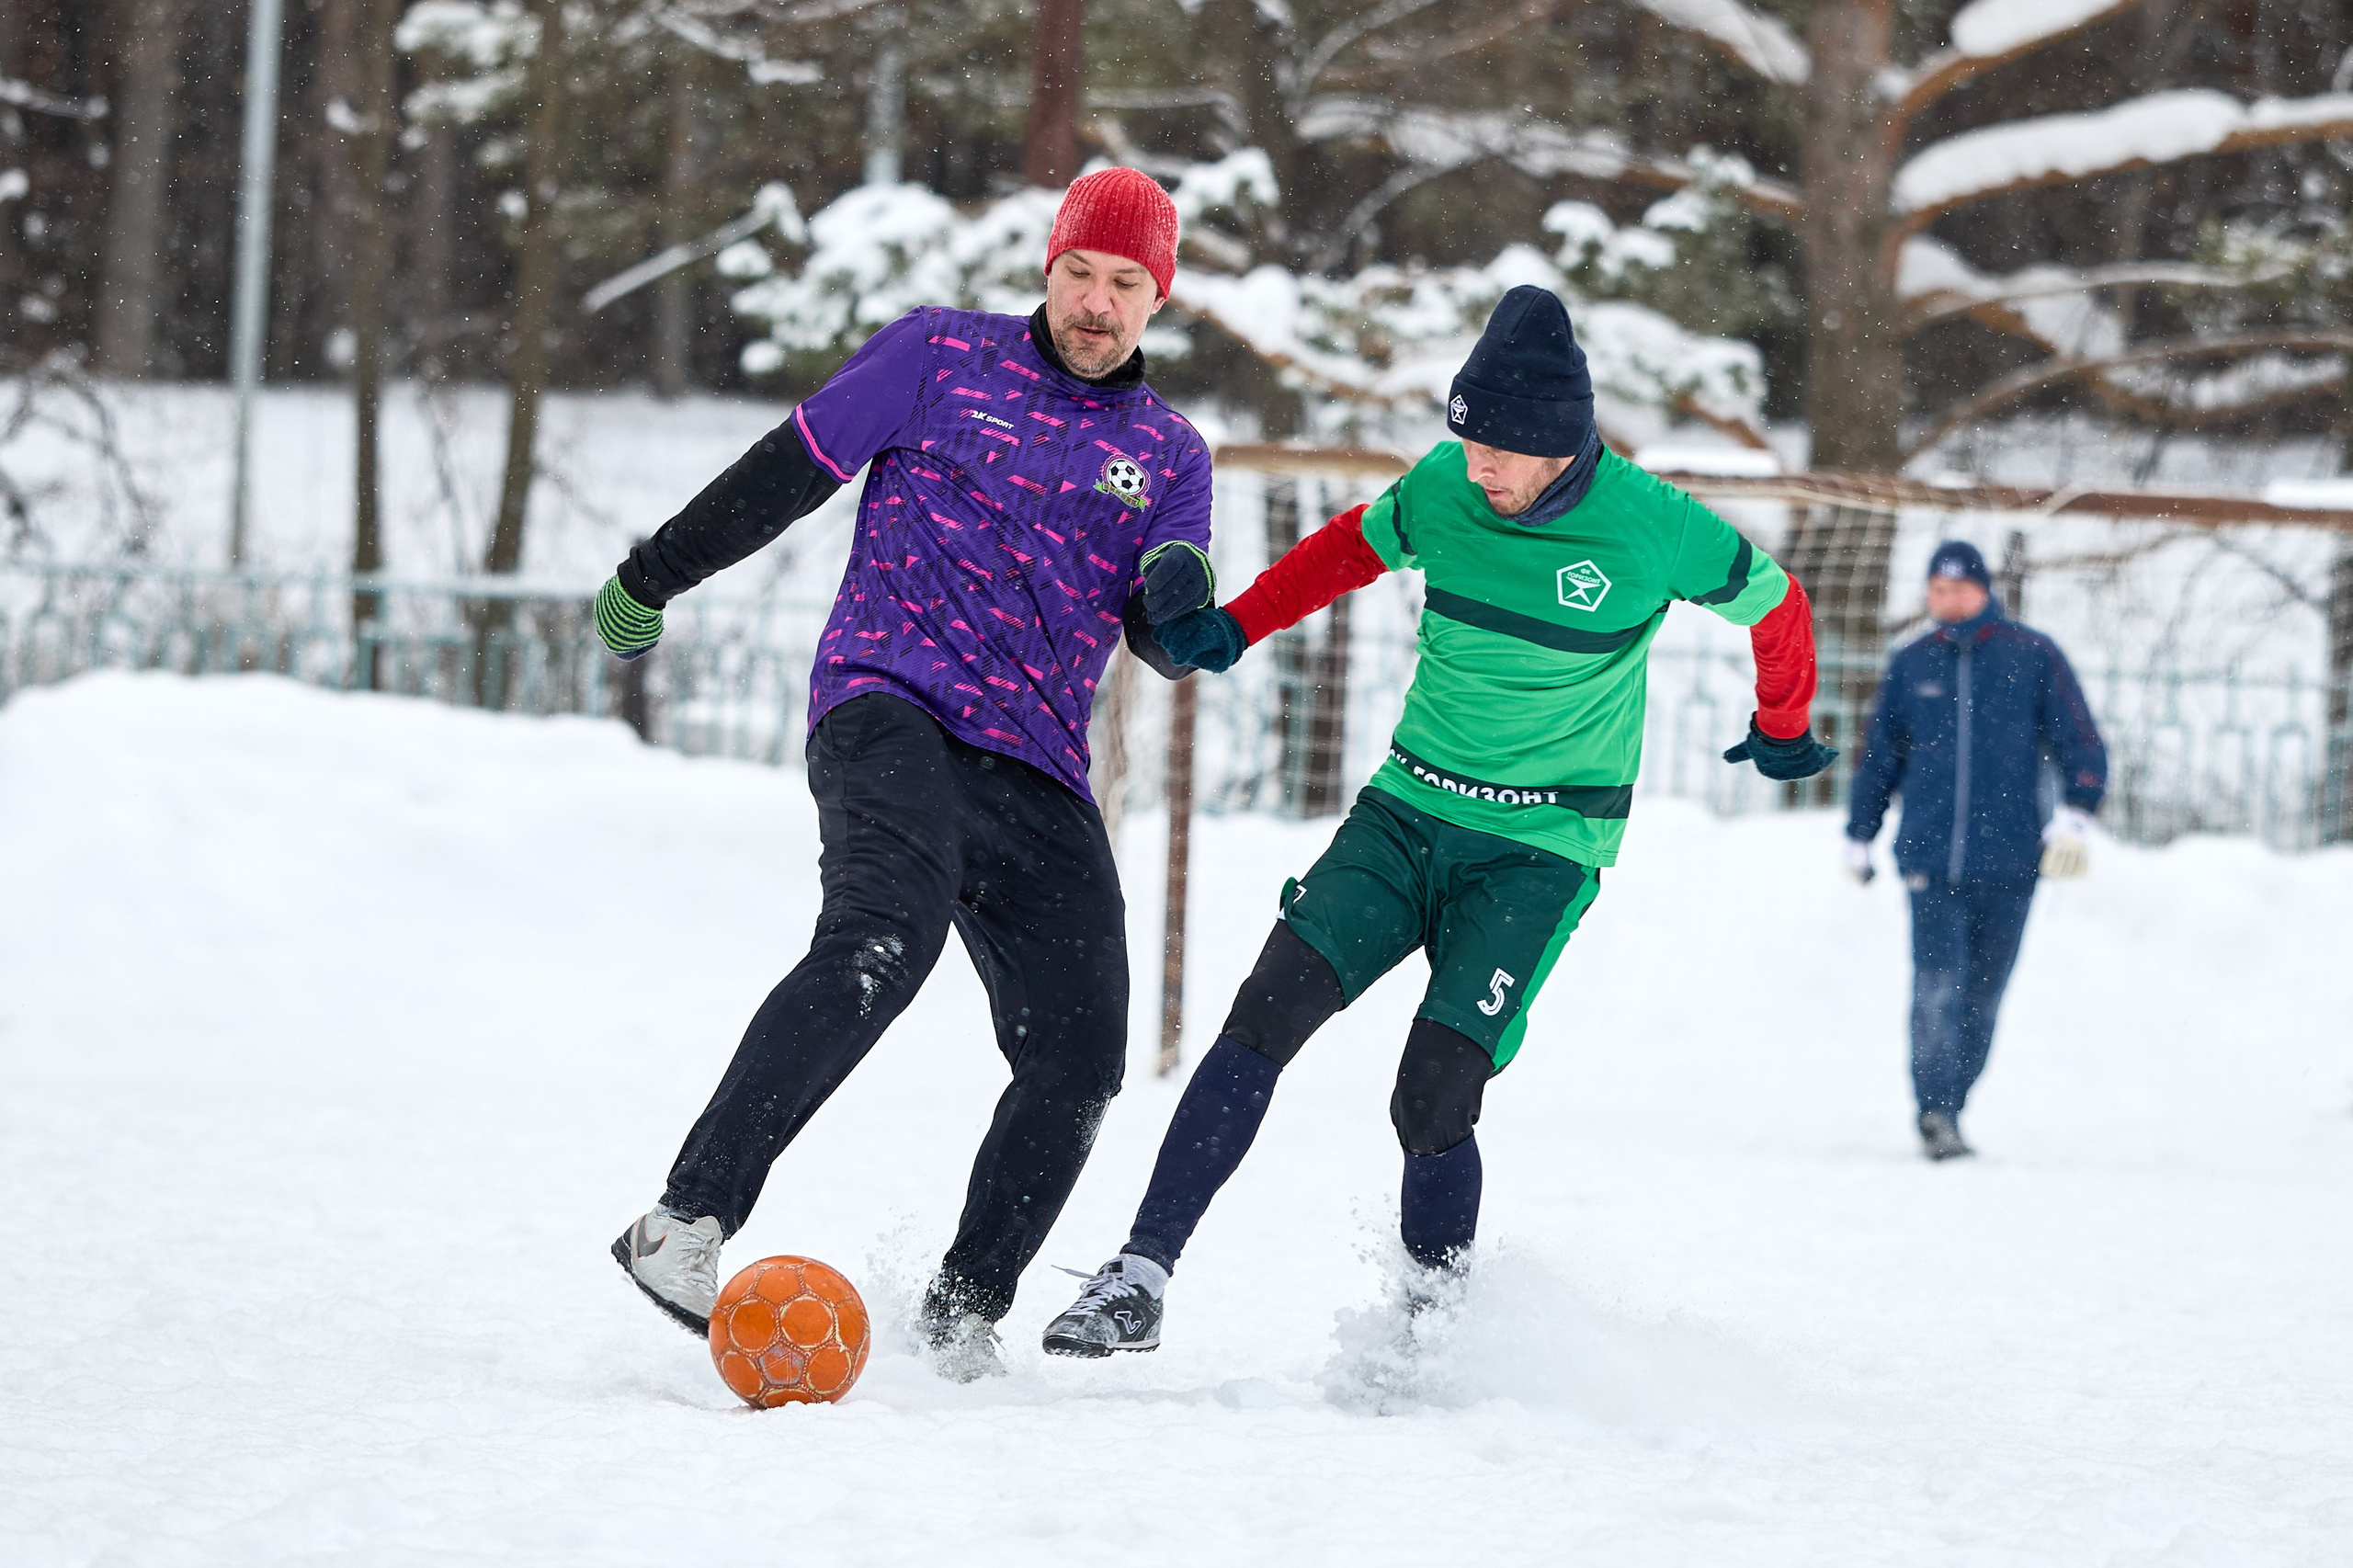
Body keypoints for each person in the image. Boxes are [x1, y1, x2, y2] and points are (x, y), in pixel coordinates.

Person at [1035, 285, 1834, 1357]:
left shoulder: (1653, 526)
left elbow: (1779, 602)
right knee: (1261, 1016)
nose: (1476, 468)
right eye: (1464, 444)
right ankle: (1138, 1277)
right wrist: (1235, 627)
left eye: (1498, 452)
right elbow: (1344, 551)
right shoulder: (1443, 488)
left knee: (1434, 1094)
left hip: (1540, 850)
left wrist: (1782, 722)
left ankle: (1432, 1332)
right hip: (1406, 814)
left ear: (1560, 444)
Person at [601, 168, 1218, 1379]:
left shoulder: (1169, 452)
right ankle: (683, 1219)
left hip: (1036, 763)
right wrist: (654, 573)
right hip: (891, 704)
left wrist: (1183, 602)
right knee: (887, 932)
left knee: (1086, 1048)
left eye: (1126, 285)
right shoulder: (938, 358)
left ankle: (961, 1307)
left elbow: (1162, 619)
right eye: (1080, 274)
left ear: (1158, 299)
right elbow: (786, 475)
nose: (1097, 303)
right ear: (1050, 268)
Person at [1843, 540, 2107, 1161]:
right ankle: (1935, 1113)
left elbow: (2082, 742)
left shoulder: (2033, 657)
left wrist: (2076, 812)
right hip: (1929, 861)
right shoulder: (1912, 665)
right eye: (1937, 589)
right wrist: (1860, 833)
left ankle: (1954, 1103)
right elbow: (1880, 758)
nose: (1948, 600)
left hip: (2011, 861)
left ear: (1985, 590)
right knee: (1937, 987)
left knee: (1983, 996)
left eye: (1959, 589)